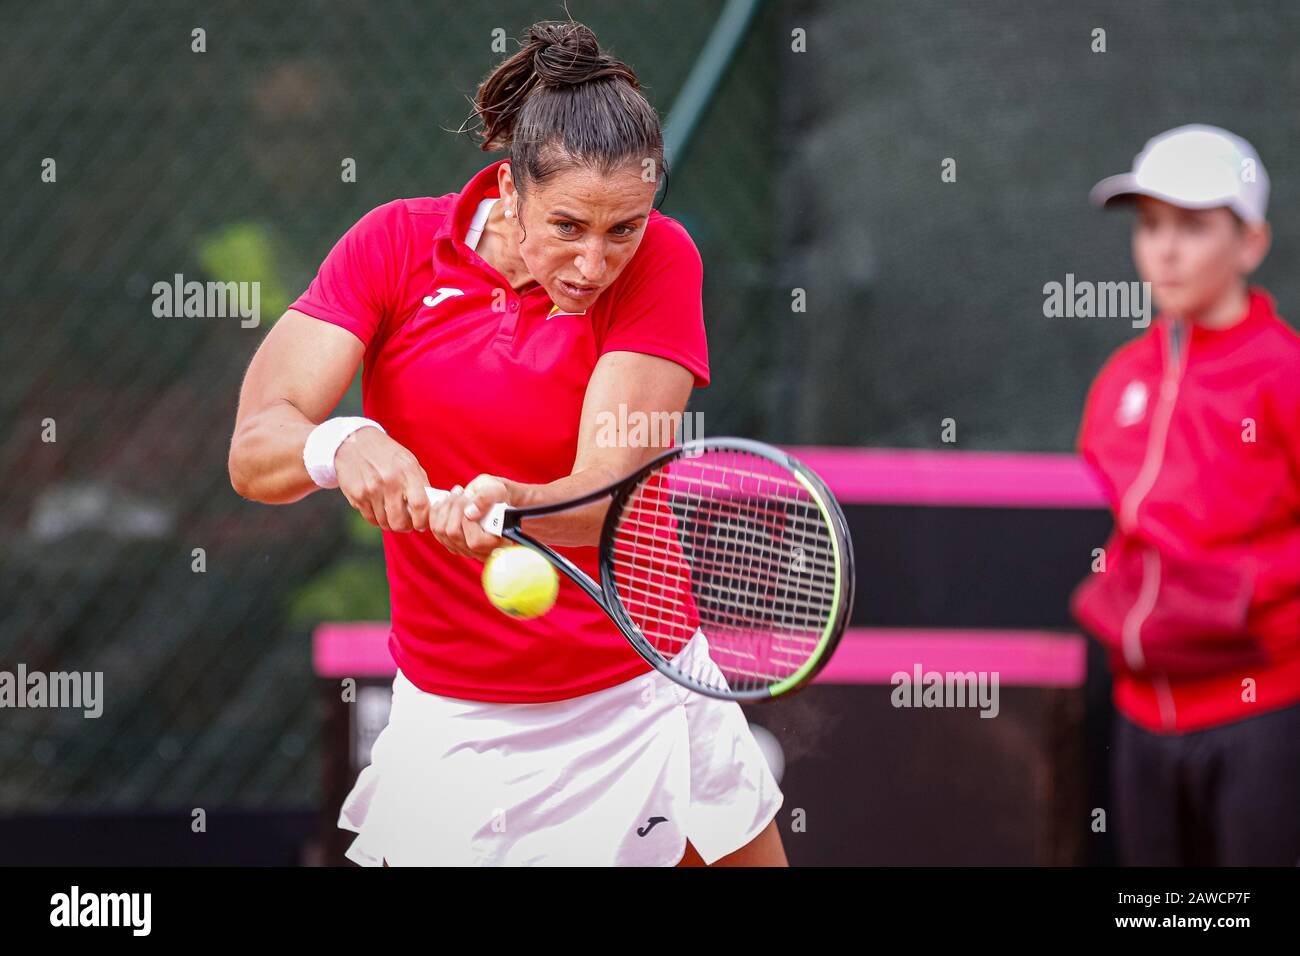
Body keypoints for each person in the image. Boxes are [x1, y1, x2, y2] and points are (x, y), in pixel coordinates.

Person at [227, 19, 785, 866]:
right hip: (461, 724)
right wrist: (340, 444)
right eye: (568, 225)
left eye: (622, 228)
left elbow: (609, 493)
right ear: (511, 190)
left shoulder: (663, 261)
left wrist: (512, 507)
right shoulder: (393, 246)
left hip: (646, 691)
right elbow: (256, 449)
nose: (595, 262)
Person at [1072, 125, 1300, 865]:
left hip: (1262, 711)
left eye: (1194, 226)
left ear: (1252, 243)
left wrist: (1249, 595)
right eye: (1150, 225)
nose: (1164, 250)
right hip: (1138, 717)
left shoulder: (1283, 373)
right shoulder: (1121, 377)